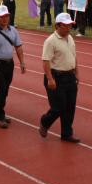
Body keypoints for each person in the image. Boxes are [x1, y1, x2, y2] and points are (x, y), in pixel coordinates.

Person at [38, 12, 80, 143]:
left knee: (70, 107)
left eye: (70, 25)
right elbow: (46, 61)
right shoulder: (50, 41)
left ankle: (67, 134)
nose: (68, 28)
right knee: (59, 107)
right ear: (57, 26)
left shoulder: (70, 38)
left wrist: (77, 73)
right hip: (56, 77)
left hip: (70, 76)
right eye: (65, 25)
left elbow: (74, 56)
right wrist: (50, 79)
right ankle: (45, 121)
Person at [0, 5, 25, 128]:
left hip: (9, 65)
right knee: (1, 90)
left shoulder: (13, 30)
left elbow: (18, 47)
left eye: (6, 16)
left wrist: (22, 62)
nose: (5, 18)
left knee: (5, 91)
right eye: (2, 17)